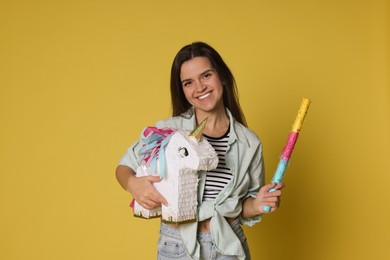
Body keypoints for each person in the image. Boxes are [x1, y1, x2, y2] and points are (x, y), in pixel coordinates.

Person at [116, 41, 284, 260]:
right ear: (183, 90)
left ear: (222, 76)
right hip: (177, 246)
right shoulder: (169, 131)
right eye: (188, 82)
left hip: (228, 246)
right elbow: (123, 167)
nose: (199, 87)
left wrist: (258, 204)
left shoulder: (249, 143)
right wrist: (133, 185)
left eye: (206, 75)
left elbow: (242, 208)